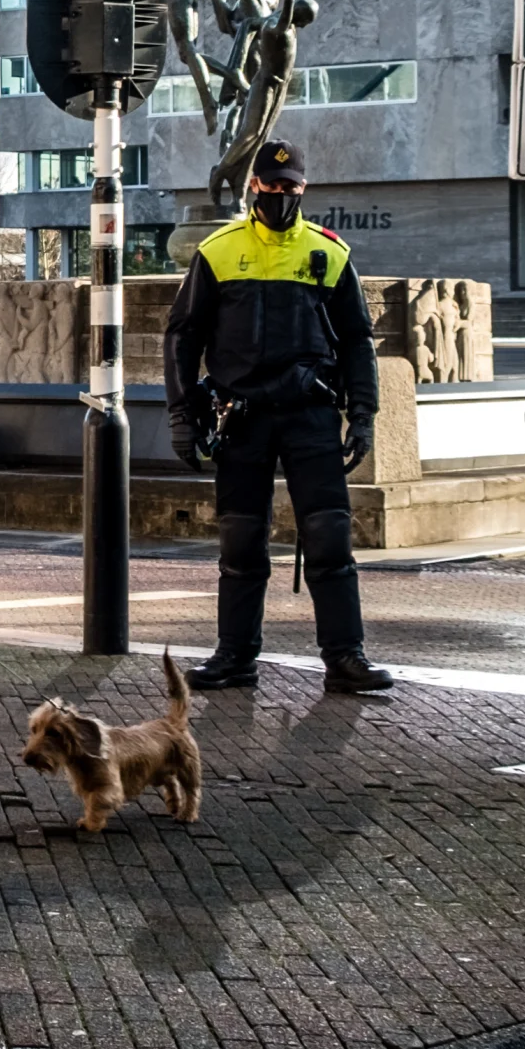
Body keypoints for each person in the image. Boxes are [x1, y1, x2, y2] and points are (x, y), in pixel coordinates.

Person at [164, 140, 398, 696]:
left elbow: (358, 342)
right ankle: (236, 658)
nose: (279, 196)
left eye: (289, 187)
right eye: (270, 187)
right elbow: (183, 335)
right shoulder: (219, 251)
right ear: (253, 188)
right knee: (240, 544)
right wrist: (181, 414)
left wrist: (362, 414)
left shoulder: (330, 253)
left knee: (329, 538)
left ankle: (345, 658)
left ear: (303, 189)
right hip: (240, 418)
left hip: (310, 415)